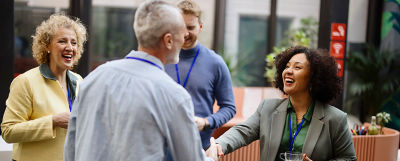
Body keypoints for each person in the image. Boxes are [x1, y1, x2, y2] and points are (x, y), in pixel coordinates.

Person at [64, 1, 219, 161]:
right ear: (168, 40)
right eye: (182, 33)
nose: (185, 37)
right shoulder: (174, 95)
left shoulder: (93, 79)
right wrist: (211, 158)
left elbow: (70, 150)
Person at [215, 46, 357, 161]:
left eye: (297, 67)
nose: (288, 71)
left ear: (314, 77)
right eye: (287, 66)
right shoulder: (267, 108)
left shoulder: (336, 119)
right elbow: (241, 132)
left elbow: (348, 158)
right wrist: (217, 145)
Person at [1, 14, 87, 161]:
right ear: (47, 46)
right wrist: (53, 121)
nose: (70, 47)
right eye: (62, 41)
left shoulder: (79, 81)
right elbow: (8, 131)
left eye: (74, 43)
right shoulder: (25, 81)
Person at [165, 0, 236, 150]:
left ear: (200, 27)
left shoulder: (215, 62)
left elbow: (229, 107)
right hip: (162, 147)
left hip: (199, 148)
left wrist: (206, 122)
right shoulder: (161, 58)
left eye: (190, 27)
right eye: (181, 27)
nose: (185, 33)